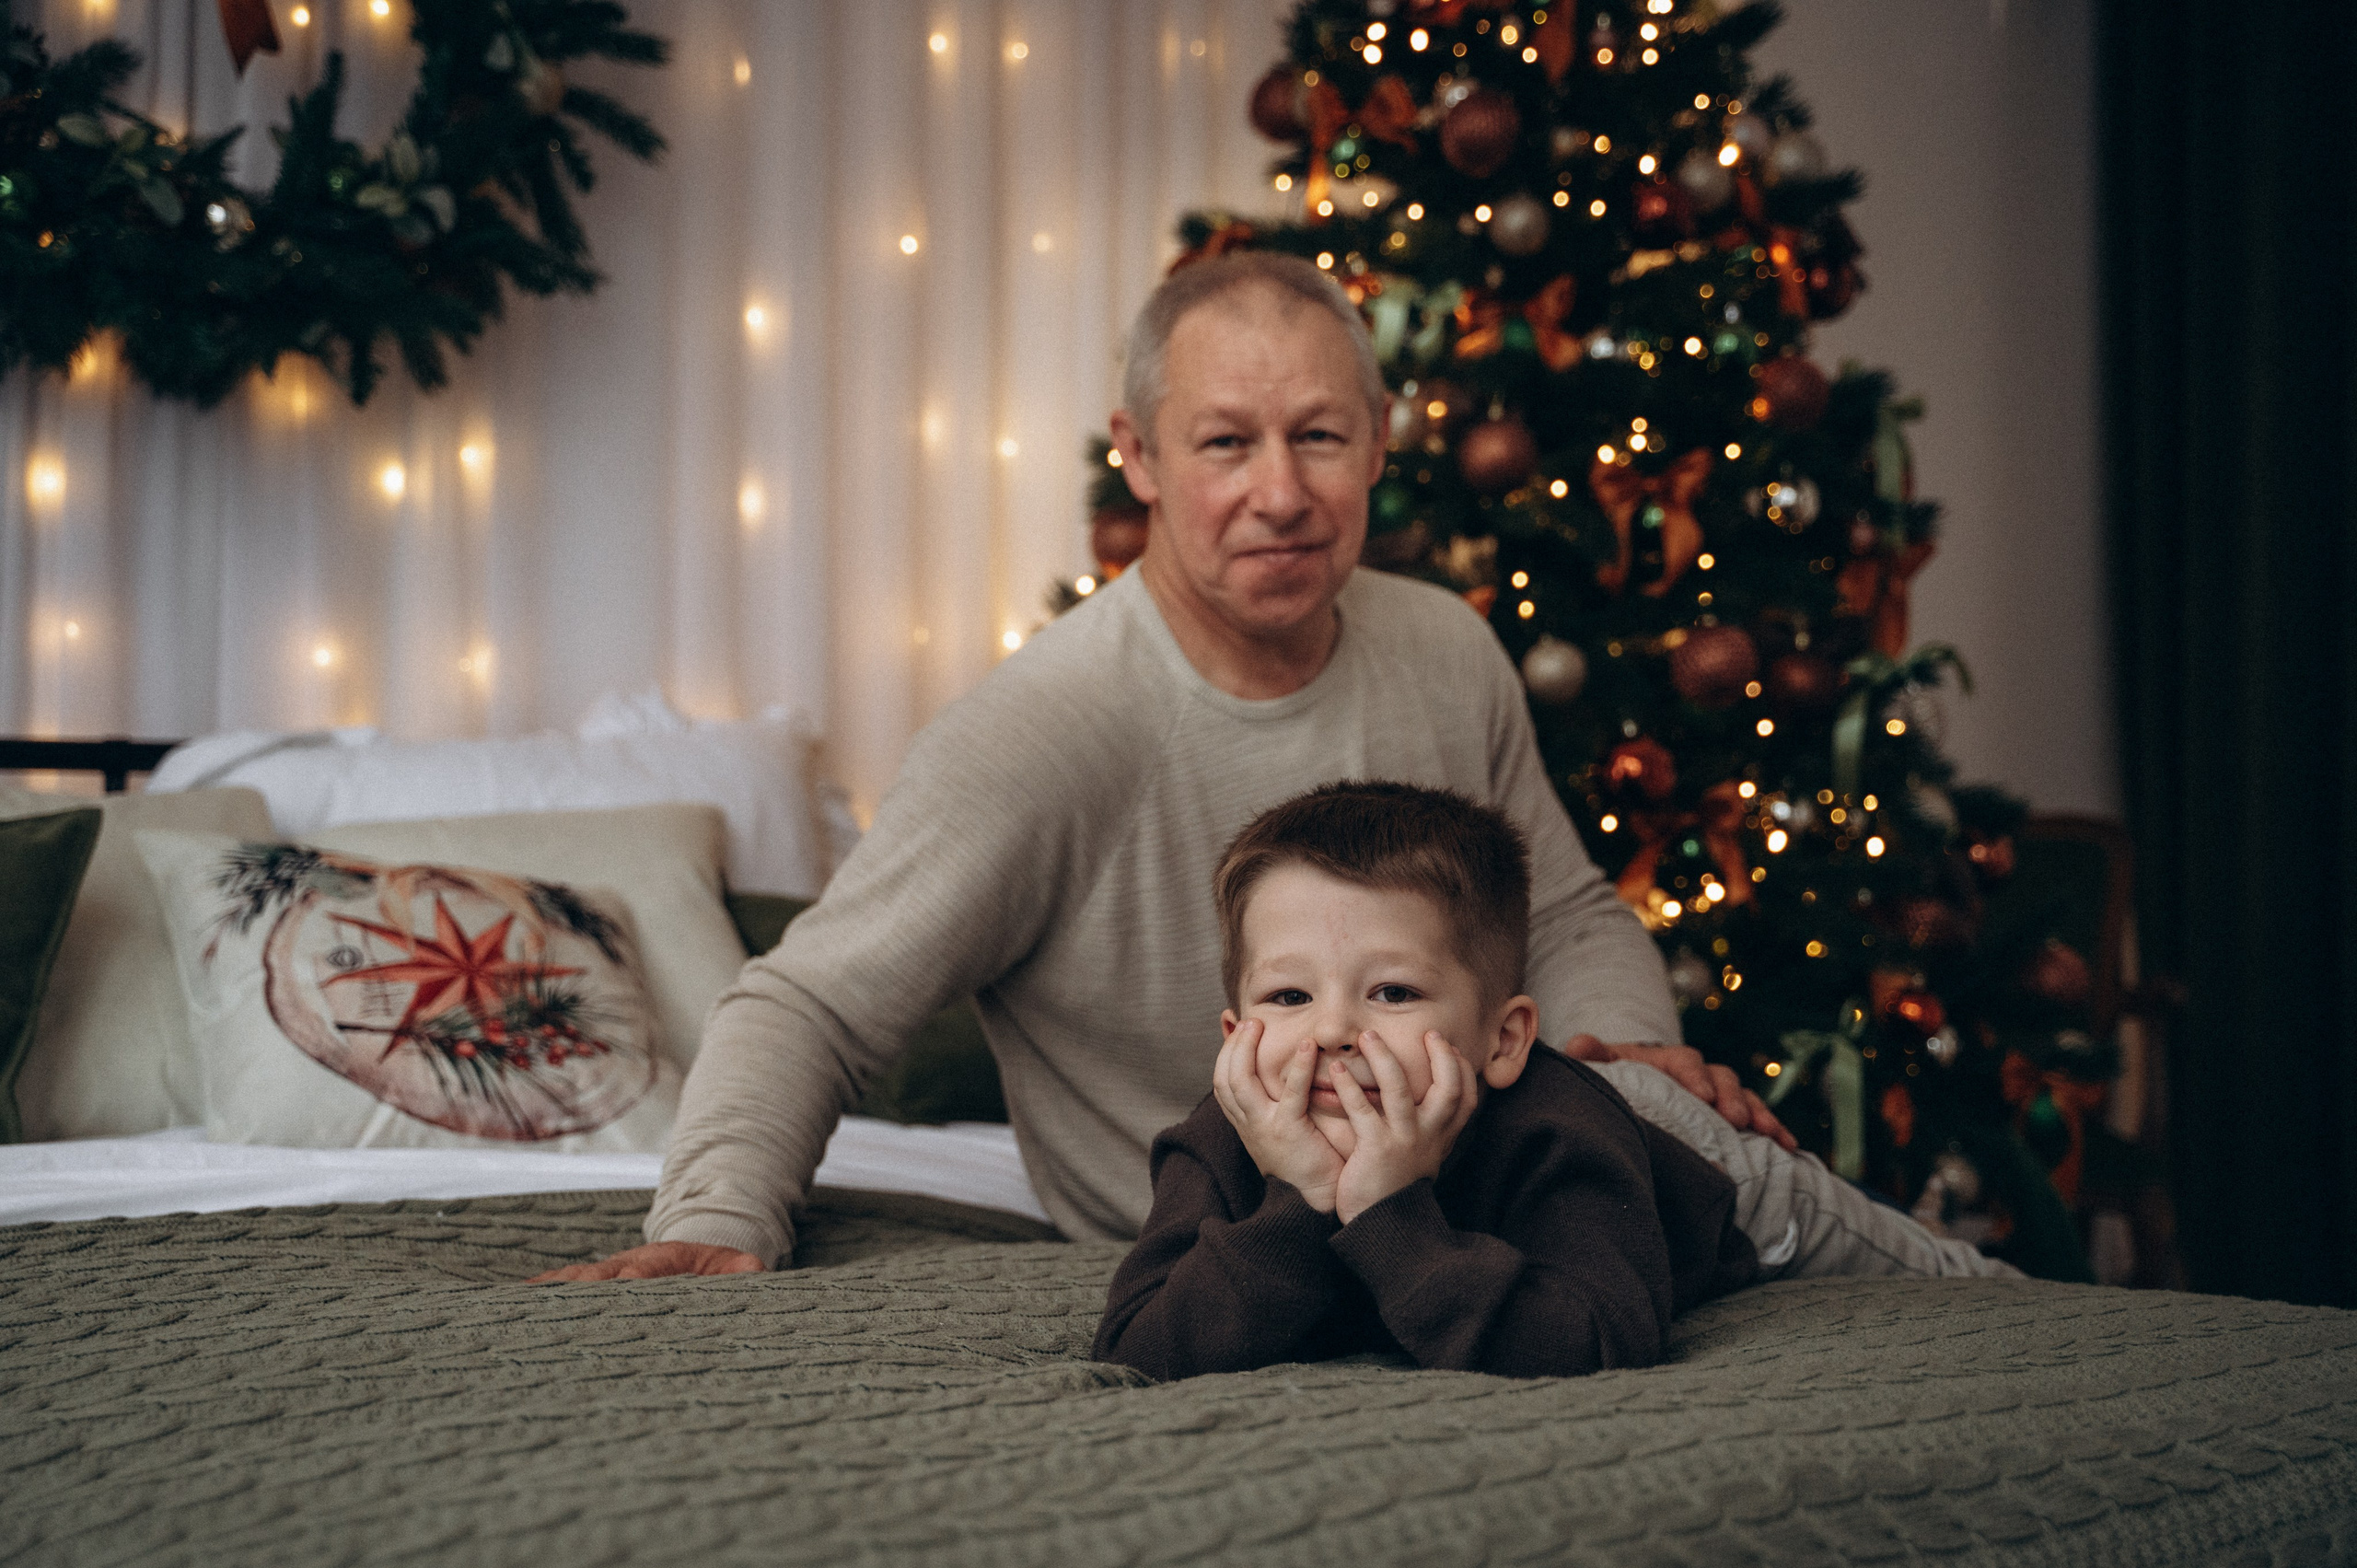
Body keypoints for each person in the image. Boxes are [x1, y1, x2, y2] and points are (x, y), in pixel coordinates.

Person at [530, 250, 1950, 1285]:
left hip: (1487, 1184)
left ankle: (1996, 1307)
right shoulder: (1046, 728)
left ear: (1380, 442)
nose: (1283, 491)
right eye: (1227, 443)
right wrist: (717, 1218)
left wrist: (1610, 1053)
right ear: (1138, 458)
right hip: (1230, 1231)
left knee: (1712, 1154)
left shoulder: (1445, 649)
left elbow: (1567, 916)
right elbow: (811, 998)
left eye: (1322, 436)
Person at [1094, 783, 1760, 1381]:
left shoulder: (1558, 1136)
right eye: (1289, 995)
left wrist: (1391, 1214)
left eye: (1392, 991)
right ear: (1237, 1033)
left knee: (1835, 1224)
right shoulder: (1220, 1137)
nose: (1332, 1030)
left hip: (1699, 1160)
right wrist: (1299, 1199)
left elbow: (1598, 1342)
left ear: (1501, 1039)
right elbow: (1138, 1351)